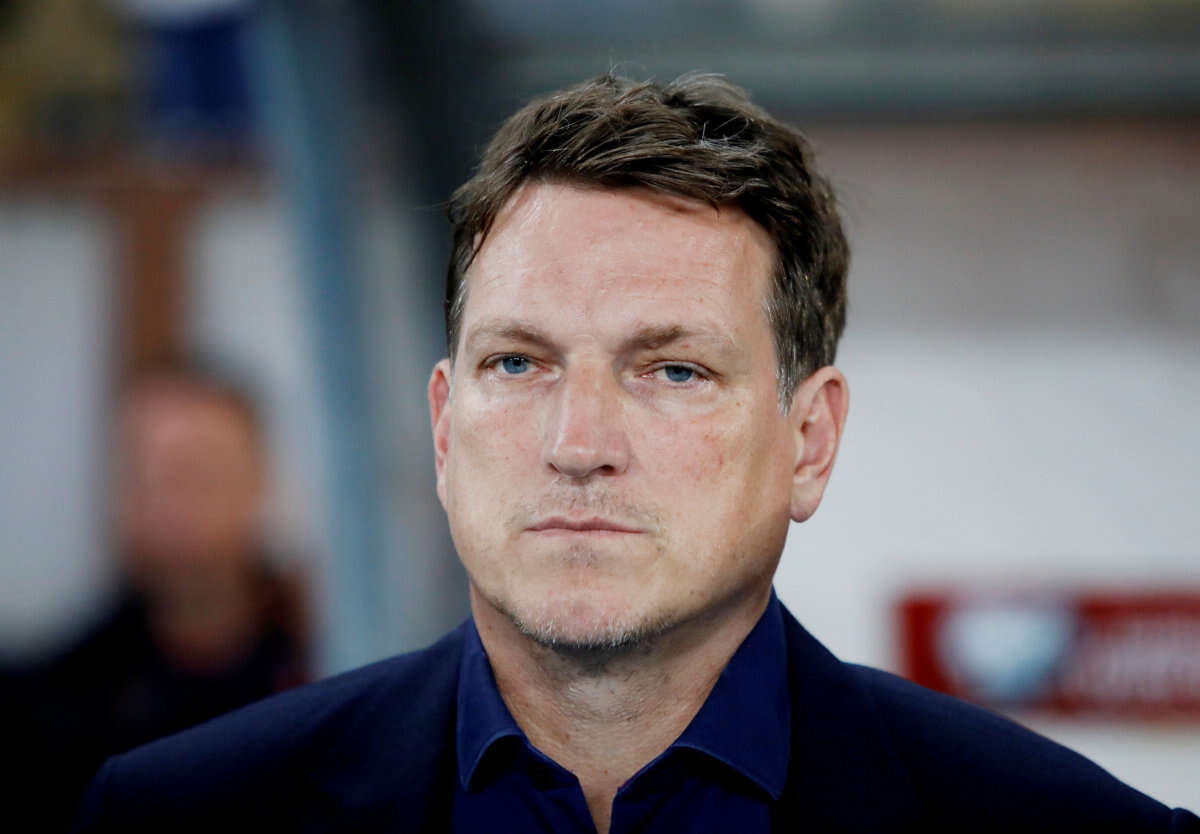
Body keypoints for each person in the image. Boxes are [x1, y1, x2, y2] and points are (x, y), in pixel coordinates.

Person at [71, 74, 1198, 833]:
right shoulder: (173, 820)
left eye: (674, 371)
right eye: (519, 362)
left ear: (809, 443)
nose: (578, 444)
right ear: (444, 429)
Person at [8, 364, 309, 831]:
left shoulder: (328, 665)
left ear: (259, 483)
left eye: (199, 472)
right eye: (148, 475)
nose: (173, 504)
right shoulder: (47, 708)